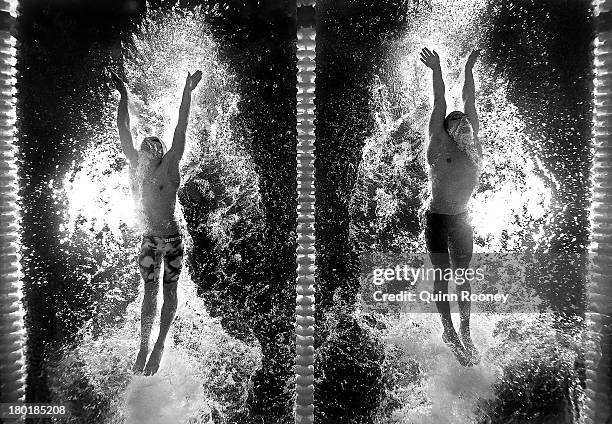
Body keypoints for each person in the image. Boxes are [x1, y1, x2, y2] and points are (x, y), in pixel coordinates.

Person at [111, 69, 202, 375]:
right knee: (150, 293)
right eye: (144, 146)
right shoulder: (136, 167)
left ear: (160, 152)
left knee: (170, 292)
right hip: (150, 240)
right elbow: (123, 127)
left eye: (153, 146)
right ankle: (143, 346)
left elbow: (181, 128)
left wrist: (187, 92)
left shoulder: (169, 168)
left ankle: (160, 344)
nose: (146, 149)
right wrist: (123, 96)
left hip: (173, 241)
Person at [419, 48, 482, 366]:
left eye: (465, 120)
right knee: (443, 275)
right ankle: (448, 330)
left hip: (461, 220)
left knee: (463, 276)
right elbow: (441, 102)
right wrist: (437, 69)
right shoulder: (440, 142)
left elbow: (469, 100)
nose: (464, 121)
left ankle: (465, 330)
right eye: (456, 121)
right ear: (447, 128)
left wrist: (469, 67)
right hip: (438, 219)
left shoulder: (474, 145)